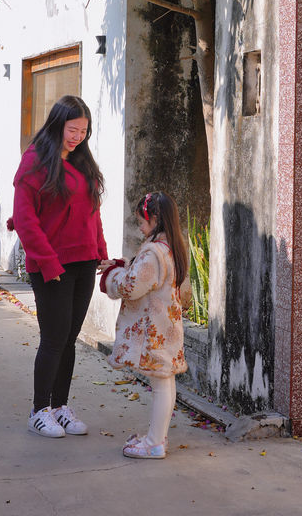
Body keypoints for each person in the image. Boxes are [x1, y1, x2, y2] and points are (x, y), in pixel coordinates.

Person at [10, 94, 110, 438]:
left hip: (83, 262)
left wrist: (100, 251)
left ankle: (59, 407)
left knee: (69, 339)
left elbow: (91, 213)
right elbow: (25, 220)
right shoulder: (35, 161)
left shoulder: (82, 162)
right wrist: (49, 263)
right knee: (53, 339)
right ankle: (39, 411)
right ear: (57, 125)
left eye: (83, 130)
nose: (78, 136)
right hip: (52, 265)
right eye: (72, 129)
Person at [99, 191, 192, 459]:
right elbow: (147, 276)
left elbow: (131, 287)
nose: (140, 226)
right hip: (167, 326)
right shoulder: (171, 247)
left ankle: (154, 443)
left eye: (142, 220)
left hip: (155, 331)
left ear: (155, 220)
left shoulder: (153, 251)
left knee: (161, 383)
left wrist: (112, 275)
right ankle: (157, 438)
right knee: (165, 382)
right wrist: (125, 265)